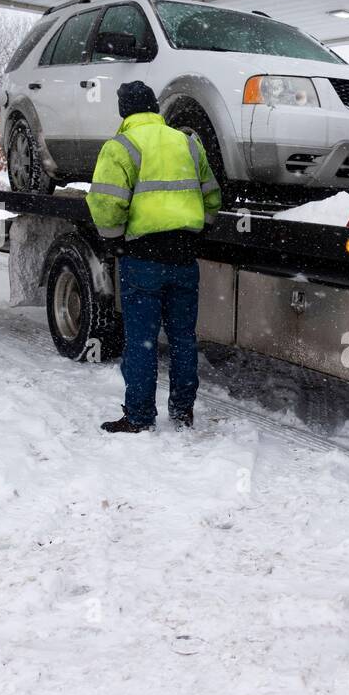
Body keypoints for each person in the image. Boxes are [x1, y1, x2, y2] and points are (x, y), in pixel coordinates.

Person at [87, 81, 221, 433]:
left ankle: (140, 417)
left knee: (142, 341)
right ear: (155, 108)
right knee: (182, 339)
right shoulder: (188, 142)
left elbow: (105, 203)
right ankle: (182, 413)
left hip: (142, 257)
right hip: (183, 258)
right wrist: (195, 231)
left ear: (124, 111)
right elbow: (212, 197)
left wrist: (115, 242)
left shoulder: (122, 146)